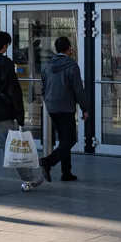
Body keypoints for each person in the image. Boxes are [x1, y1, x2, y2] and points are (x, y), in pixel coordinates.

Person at [0, 30, 44, 195]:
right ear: (4, 46)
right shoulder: (6, 63)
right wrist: (19, 114)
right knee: (14, 148)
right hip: (1, 112)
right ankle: (29, 178)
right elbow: (13, 90)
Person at [39, 37, 89, 183]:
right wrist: (84, 108)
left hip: (51, 107)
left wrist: (48, 100)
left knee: (63, 140)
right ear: (69, 49)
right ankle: (49, 161)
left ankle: (66, 172)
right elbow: (78, 90)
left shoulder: (46, 65)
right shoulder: (72, 66)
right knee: (70, 139)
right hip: (66, 107)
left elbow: (43, 88)